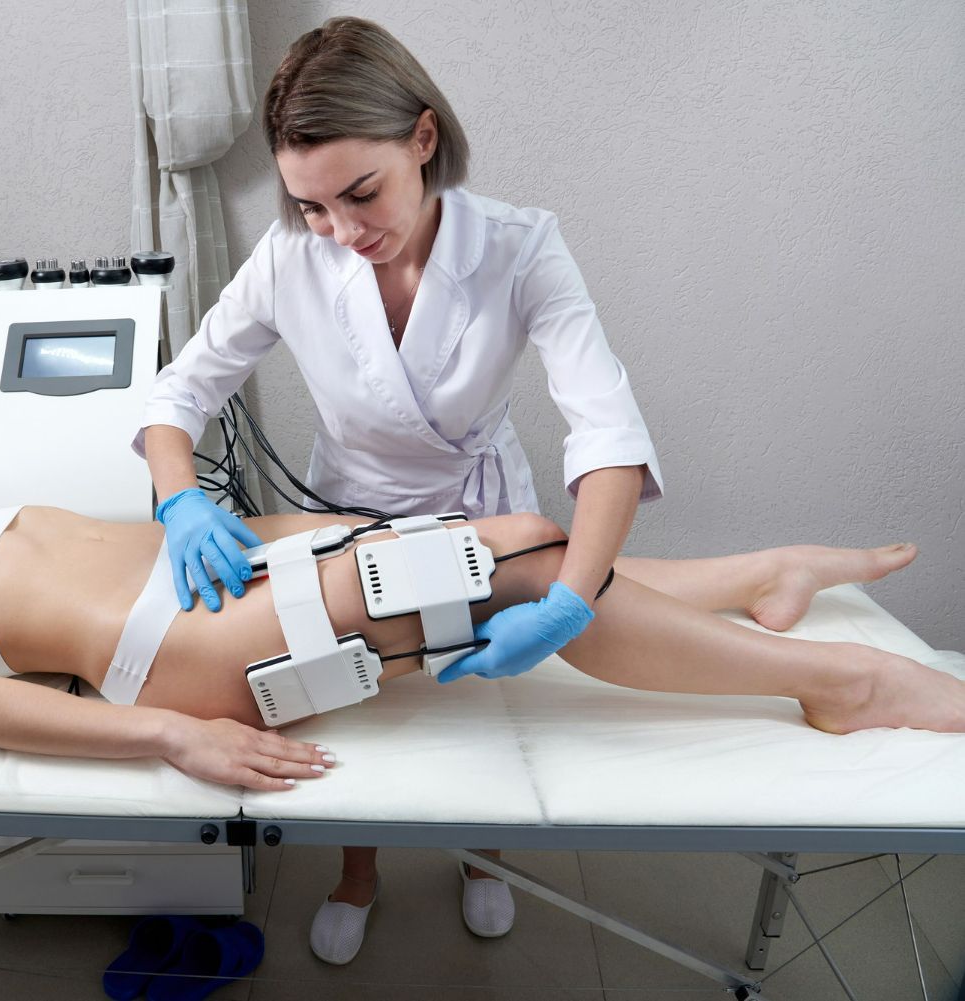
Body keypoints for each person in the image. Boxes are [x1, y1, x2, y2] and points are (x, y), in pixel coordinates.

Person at [135, 17, 661, 956]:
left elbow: (608, 429)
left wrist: (574, 599)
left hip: (481, 509)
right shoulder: (294, 257)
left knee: (477, 703)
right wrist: (179, 496)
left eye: (360, 194)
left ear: (423, 139)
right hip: (351, 515)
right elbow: (180, 389)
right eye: (312, 206)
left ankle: (482, 857)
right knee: (354, 702)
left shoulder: (521, 247)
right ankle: (358, 869)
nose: (342, 231)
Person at [0, 476, 961, 804]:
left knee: (515, 537)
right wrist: (170, 732)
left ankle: (754, 581)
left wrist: (281, 523)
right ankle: (839, 681)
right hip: (173, 648)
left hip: (220, 571)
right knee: (515, 567)